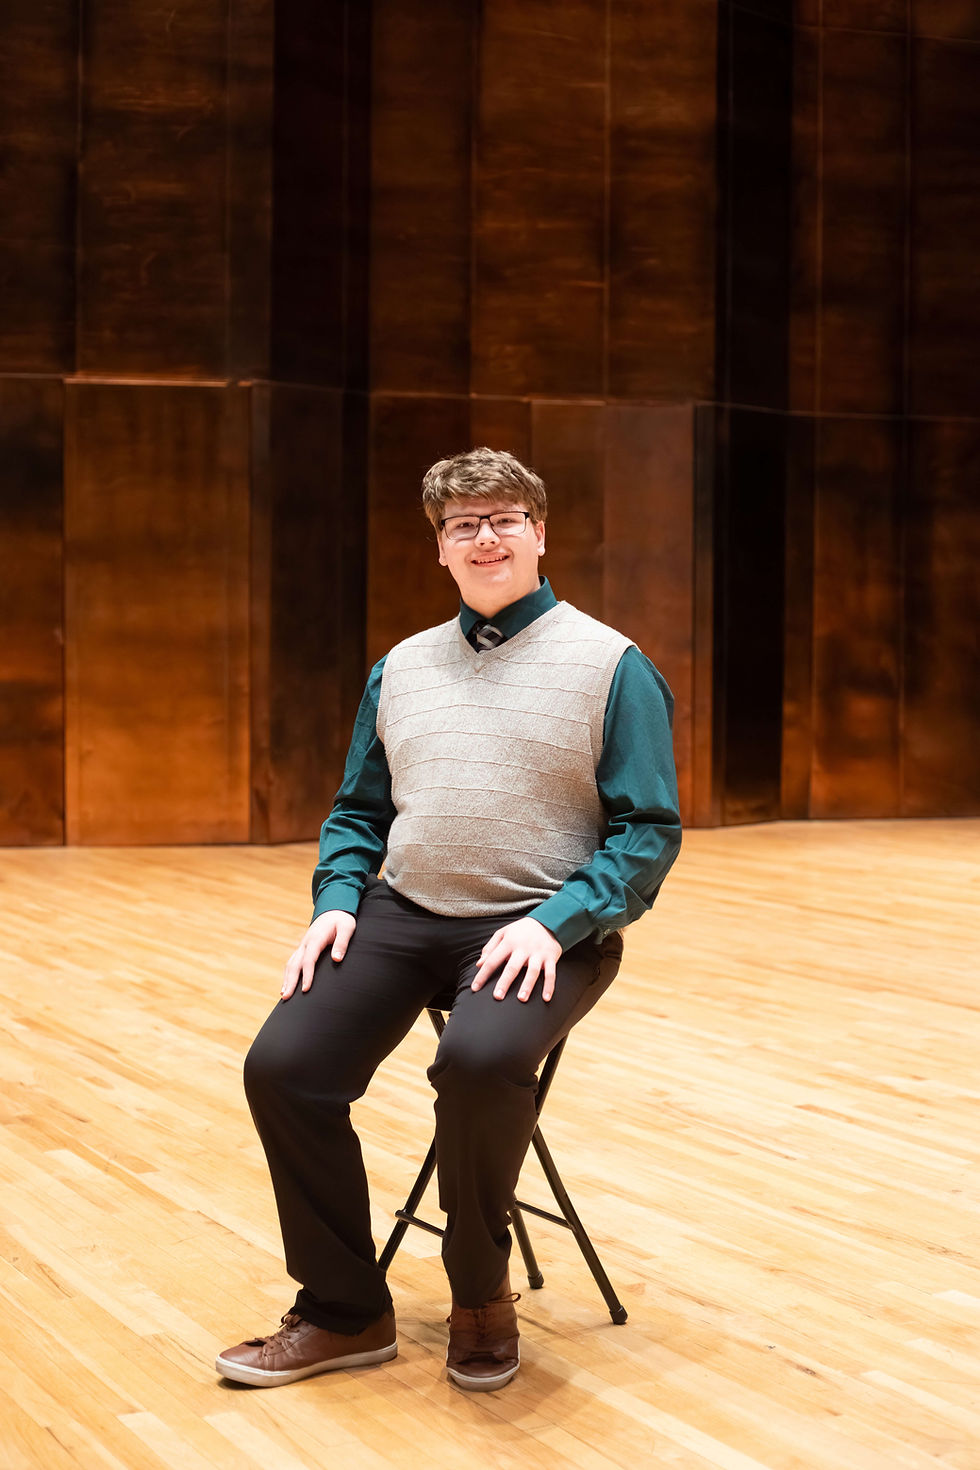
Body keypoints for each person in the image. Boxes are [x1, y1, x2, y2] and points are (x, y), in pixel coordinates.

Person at [216, 447, 681, 1392]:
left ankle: (480, 1294)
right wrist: (336, 901)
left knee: (474, 1060)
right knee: (284, 1068)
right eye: (463, 525)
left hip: (543, 925)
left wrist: (557, 923)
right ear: (440, 548)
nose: (486, 537)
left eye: (506, 518)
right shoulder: (401, 668)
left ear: (540, 534)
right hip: (405, 911)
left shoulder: (612, 664)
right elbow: (358, 811)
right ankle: (346, 1311)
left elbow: (647, 834)